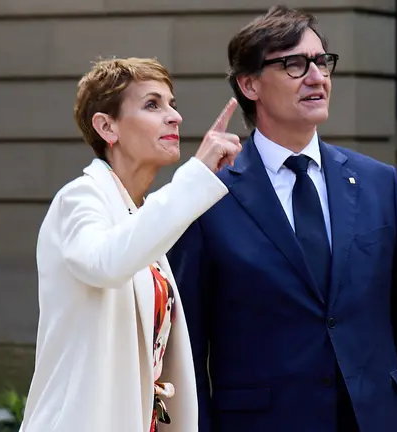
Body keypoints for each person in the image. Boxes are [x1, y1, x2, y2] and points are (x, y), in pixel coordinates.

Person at [167, 6, 397, 432]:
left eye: (322, 62)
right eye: (294, 64)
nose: (317, 77)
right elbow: (186, 355)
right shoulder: (209, 197)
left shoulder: (378, 183)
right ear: (250, 84)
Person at [19, 57, 242, 432]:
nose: (175, 117)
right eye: (153, 104)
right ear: (107, 127)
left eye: (172, 104)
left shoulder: (136, 213)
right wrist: (194, 178)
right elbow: (106, 262)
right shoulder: (80, 198)